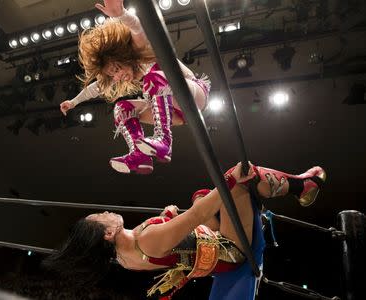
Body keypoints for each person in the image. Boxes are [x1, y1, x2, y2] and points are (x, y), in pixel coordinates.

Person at [43, 163, 326, 299]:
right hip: (232, 249)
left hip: (211, 249)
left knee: (202, 194)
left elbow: (181, 246)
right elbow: (199, 215)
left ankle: (276, 197)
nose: (106, 212)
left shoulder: (123, 257)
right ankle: (304, 185)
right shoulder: (146, 240)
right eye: (101, 217)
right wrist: (228, 181)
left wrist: (168, 217)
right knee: (241, 173)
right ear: (107, 234)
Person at [59, 0, 210, 175]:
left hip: (193, 93)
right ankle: (139, 156)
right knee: (122, 108)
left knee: (153, 79)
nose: (117, 77)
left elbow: (138, 28)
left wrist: (121, 15)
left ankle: (164, 140)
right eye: (112, 75)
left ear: (124, 56)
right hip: (175, 111)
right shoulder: (120, 74)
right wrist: (73, 102)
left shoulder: (138, 50)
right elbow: (96, 88)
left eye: (116, 69)